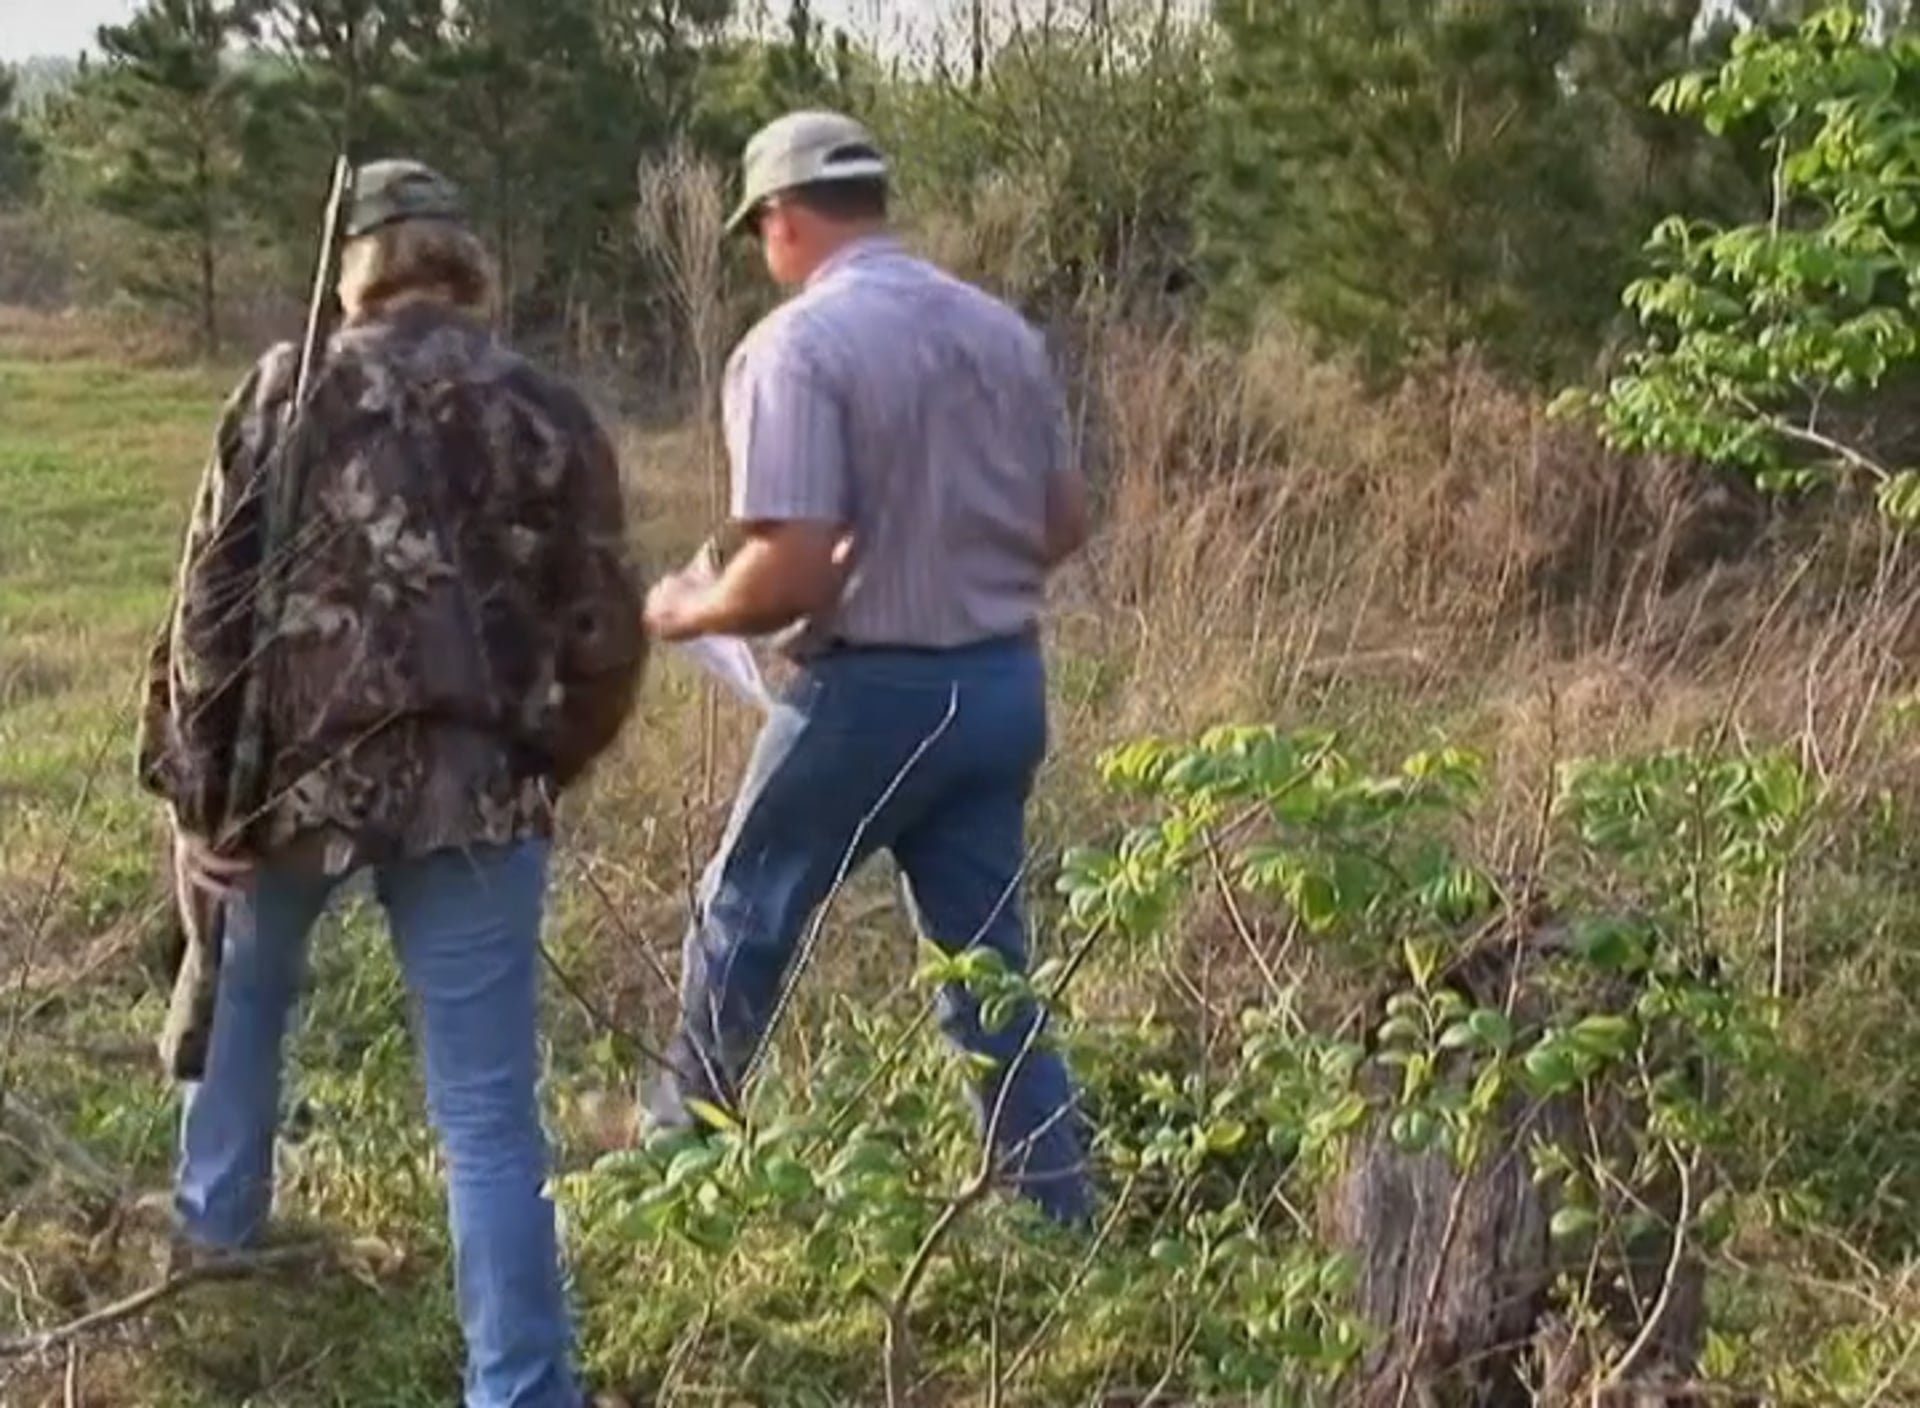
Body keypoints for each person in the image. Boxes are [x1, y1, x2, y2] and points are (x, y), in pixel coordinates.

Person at [137, 158, 647, 1408]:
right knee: (487, 1115)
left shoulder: (285, 389)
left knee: (245, 1004)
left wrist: (198, 802)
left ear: (356, 266)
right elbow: (607, 630)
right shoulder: (544, 409)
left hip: (285, 788)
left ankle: (213, 1238)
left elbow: (207, 609)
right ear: (462, 260)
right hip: (476, 794)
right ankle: (521, 1388)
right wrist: (542, 763)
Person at [639, 111, 1095, 1225]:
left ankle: (668, 1175)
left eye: (760, 229)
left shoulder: (795, 347)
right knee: (986, 969)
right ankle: (1057, 1209)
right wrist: (944, 561)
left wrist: (695, 605)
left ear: (782, 219)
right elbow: (1064, 522)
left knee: (743, 913)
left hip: (875, 693)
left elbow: (790, 568)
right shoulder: (1001, 333)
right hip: (1001, 686)